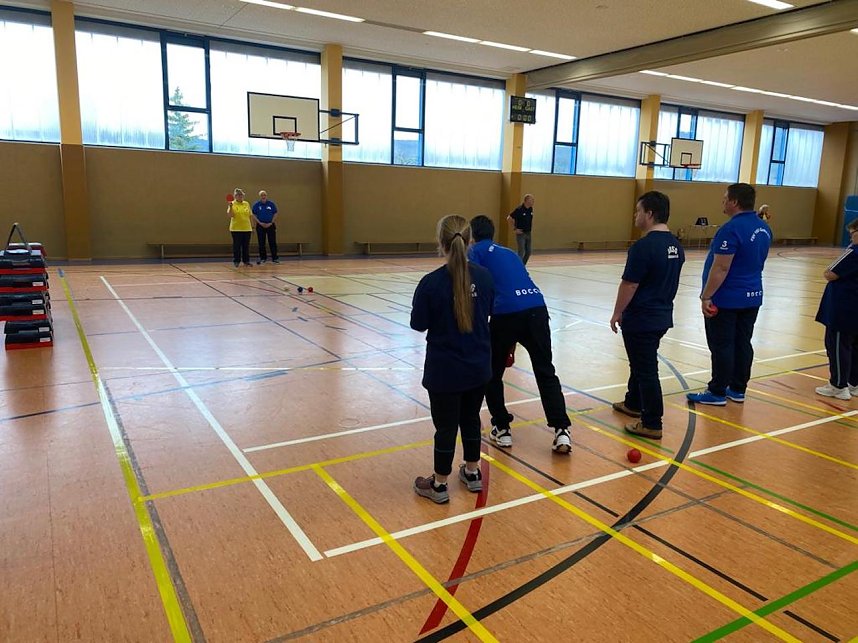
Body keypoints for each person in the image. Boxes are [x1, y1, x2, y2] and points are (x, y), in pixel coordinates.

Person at [468, 214, 573, 453]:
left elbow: (475, 288)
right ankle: (562, 431)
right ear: (493, 233)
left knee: (491, 375)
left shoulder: (474, 252)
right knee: (546, 372)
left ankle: (502, 428)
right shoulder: (509, 253)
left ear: (472, 236)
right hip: (536, 309)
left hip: (505, 315)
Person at [411, 215, 494, 504]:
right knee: (471, 418)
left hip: (445, 370)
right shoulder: (484, 277)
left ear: (441, 242)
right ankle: (472, 473)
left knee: (446, 426)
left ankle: (439, 485)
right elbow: (488, 312)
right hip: (478, 365)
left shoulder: (431, 283)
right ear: (470, 241)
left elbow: (418, 323)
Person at [687, 183, 772, 405]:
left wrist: (706, 296)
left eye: (725, 198)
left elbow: (721, 267)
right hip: (752, 295)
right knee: (743, 342)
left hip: (728, 298)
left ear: (734, 201)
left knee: (722, 344)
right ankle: (737, 388)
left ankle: (717, 391)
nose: (722, 202)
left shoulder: (731, 229)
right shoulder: (763, 228)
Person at [610, 192, 685, 439]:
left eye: (638, 211)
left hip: (642, 317)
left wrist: (617, 312)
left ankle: (652, 421)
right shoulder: (676, 245)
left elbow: (629, 285)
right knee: (641, 362)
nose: (635, 215)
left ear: (650, 214)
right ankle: (633, 403)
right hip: (661, 315)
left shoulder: (643, 247)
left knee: (646, 369)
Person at [813, 219, 858, 400]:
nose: (850, 237)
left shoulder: (854, 253)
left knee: (839, 346)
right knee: (855, 346)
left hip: (844, 308)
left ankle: (838, 385)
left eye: (852, 233)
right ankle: (853, 383)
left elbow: (829, 273)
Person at [228, 188, 253, 267]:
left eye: (241, 195)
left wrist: (252, 226)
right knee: (237, 246)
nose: (240, 196)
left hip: (247, 228)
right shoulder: (232, 204)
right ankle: (236, 261)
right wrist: (231, 207)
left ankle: (246, 261)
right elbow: (230, 215)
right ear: (235, 196)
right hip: (236, 228)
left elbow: (250, 215)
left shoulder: (246, 204)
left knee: (246, 246)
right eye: (238, 195)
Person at [252, 190, 279, 264]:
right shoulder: (256, 204)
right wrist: (259, 222)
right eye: (262, 195)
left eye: (264, 195)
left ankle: (275, 258)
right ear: (260, 196)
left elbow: (275, 213)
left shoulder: (271, 204)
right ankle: (263, 258)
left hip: (270, 225)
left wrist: (271, 222)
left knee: (272, 242)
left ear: (266, 196)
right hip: (260, 226)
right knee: (261, 243)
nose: (263, 196)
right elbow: (253, 214)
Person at [507, 194, 534, 265]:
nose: (533, 202)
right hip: (521, 233)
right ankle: (517, 266)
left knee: (528, 252)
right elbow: (509, 218)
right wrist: (514, 229)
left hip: (528, 233)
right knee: (521, 252)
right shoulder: (519, 209)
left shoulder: (531, 209)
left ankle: (522, 265)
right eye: (531, 200)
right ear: (526, 200)